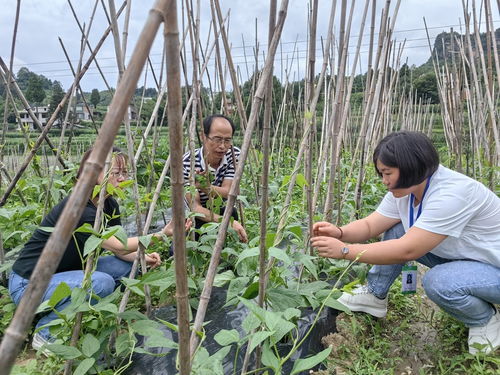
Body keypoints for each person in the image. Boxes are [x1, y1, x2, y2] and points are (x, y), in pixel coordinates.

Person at [311, 131, 500, 355]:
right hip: (472, 258)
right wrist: (340, 232)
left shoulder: (452, 194)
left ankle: (484, 319)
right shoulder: (407, 190)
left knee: (439, 282)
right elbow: (372, 225)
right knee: (399, 226)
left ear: (411, 166)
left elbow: (407, 249)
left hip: (494, 269)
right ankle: (375, 294)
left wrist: (344, 250)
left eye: (387, 173)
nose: (384, 181)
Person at [9, 148, 174, 354]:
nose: (122, 179)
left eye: (124, 173)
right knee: (101, 282)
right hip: (29, 284)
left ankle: (67, 311)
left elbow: (121, 251)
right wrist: (161, 234)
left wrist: (142, 258)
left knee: (126, 267)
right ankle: (46, 332)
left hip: (62, 275)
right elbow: (116, 245)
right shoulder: (78, 207)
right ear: (93, 174)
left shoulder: (109, 204)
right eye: (116, 173)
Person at [182, 114, 248, 243]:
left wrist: (205, 187)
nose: (223, 146)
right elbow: (195, 207)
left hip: (219, 208)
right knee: (179, 250)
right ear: (203, 137)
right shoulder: (187, 163)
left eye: (227, 140)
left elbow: (229, 192)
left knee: (230, 213)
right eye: (217, 139)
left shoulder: (233, 155)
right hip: (195, 216)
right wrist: (227, 223)